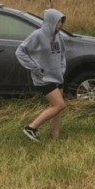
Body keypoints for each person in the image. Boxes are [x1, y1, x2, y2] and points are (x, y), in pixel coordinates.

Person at [15, 8, 67, 142]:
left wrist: (62, 69)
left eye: (61, 22)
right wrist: (35, 68)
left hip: (57, 77)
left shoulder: (58, 36)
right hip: (44, 78)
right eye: (58, 21)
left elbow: (62, 54)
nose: (60, 24)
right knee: (60, 105)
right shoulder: (37, 35)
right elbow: (20, 52)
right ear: (50, 21)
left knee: (56, 108)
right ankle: (31, 128)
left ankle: (56, 138)